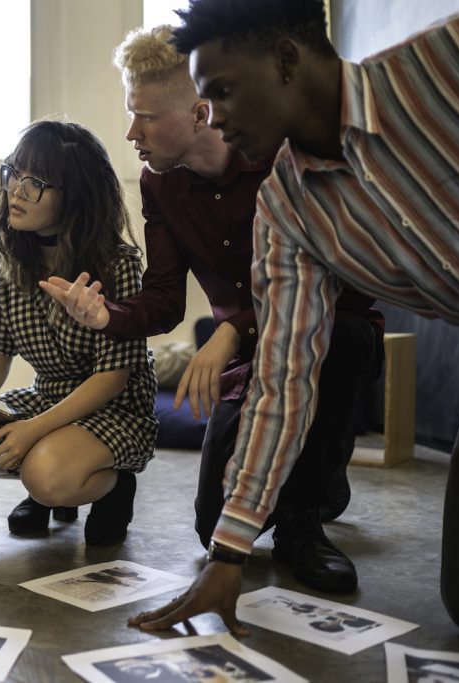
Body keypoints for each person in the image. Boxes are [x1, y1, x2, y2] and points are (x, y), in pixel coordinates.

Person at [126, 0, 459, 633]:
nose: (214, 117)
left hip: (351, 335)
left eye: (222, 93)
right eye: (205, 98)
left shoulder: (444, 62)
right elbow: (283, 376)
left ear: (285, 61)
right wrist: (227, 555)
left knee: (344, 339)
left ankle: (309, 508)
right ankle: (307, 495)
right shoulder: (285, 207)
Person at [41, 25, 382, 593]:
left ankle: (305, 523)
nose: (131, 132)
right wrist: (107, 318)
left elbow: (338, 284)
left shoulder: (282, 159)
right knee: (213, 527)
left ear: (200, 114)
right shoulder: (159, 184)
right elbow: (166, 299)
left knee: (345, 337)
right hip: (245, 354)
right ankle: (315, 481)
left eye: (145, 116)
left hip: (325, 330)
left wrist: (231, 331)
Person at [0, 120, 159, 546]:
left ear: (74, 195)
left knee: (45, 472)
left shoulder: (118, 264)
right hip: (49, 396)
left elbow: (112, 378)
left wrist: (34, 429)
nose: (16, 192)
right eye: (13, 174)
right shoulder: (9, 260)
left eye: (35, 182)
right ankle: (49, 481)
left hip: (114, 408)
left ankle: (113, 486)